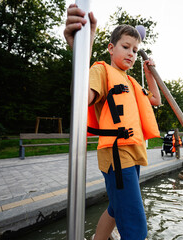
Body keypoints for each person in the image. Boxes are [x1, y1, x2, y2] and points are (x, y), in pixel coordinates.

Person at [64, 4, 161, 240]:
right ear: (111, 47)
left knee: (116, 209)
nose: (131, 53)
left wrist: (149, 74)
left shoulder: (132, 82)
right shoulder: (102, 70)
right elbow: (81, 96)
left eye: (136, 50)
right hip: (118, 153)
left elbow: (156, 100)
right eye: (126, 47)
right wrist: (81, 47)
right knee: (135, 225)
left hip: (133, 152)